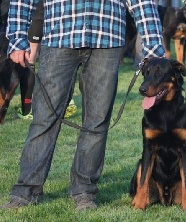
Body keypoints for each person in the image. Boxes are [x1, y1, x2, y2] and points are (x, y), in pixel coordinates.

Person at [2, 0, 165, 210]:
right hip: (59, 33)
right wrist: (17, 37)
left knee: (97, 122)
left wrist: (153, 45)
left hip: (107, 35)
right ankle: (25, 192)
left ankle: (84, 191)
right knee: (44, 119)